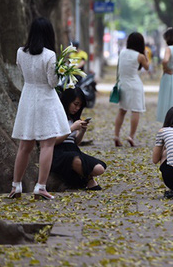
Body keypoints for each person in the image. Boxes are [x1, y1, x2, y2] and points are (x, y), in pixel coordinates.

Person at [9, 17, 71, 200]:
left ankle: (16, 185)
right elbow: (52, 82)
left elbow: (22, 71)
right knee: (47, 144)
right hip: (45, 100)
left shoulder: (20, 52)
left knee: (24, 145)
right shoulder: (50, 55)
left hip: (28, 98)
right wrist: (62, 73)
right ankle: (41, 186)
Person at [51, 87, 107, 190]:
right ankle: (89, 180)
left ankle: (85, 179)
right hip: (58, 151)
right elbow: (53, 142)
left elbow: (75, 142)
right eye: (75, 104)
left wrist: (82, 130)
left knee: (99, 168)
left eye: (79, 106)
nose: (77, 108)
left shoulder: (73, 118)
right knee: (76, 160)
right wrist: (71, 129)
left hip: (73, 149)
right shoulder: (56, 116)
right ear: (67, 101)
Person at [113, 32, 150, 147]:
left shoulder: (122, 53)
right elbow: (147, 67)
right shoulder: (140, 56)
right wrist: (146, 54)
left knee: (122, 110)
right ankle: (131, 136)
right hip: (135, 85)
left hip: (123, 84)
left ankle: (116, 135)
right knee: (135, 110)